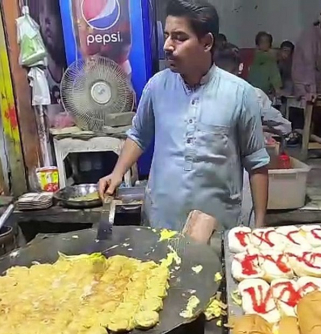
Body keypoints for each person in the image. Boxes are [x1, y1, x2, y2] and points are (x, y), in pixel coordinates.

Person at [97, 0, 270, 232]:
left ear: (207, 42)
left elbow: (256, 163)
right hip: (161, 221)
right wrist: (117, 173)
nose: (168, 45)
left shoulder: (240, 94)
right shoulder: (157, 87)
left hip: (216, 226)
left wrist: (259, 226)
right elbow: (139, 135)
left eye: (179, 37)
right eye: (167, 35)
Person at [214, 42, 291, 226]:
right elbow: (285, 127)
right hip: (244, 180)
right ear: (241, 67)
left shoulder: (200, 96)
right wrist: (261, 128)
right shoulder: (253, 95)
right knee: (243, 235)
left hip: (211, 181)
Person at [247, 31, 282, 98]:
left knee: (272, 65)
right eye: (262, 42)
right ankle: (277, 89)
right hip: (255, 84)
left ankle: (276, 90)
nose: (265, 44)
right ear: (257, 44)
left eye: (267, 42)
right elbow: (266, 56)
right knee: (271, 65)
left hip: (266, 86)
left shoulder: (271, 58)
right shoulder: (257, 55)